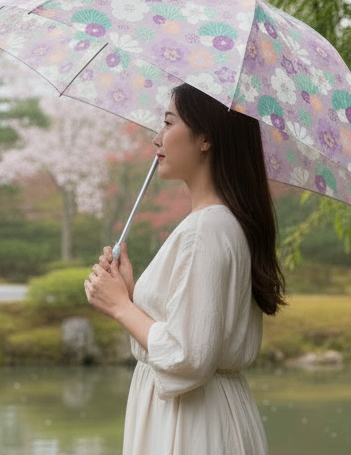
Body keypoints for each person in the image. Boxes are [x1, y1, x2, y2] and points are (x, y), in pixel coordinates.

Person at [84, 83, 286, 455]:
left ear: (205, 139)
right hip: (208, 413)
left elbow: (188, 356)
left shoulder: (206, 229)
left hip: (192, 423)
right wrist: (130, 298)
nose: (157, 138)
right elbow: (189, 331)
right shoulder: (222, 223)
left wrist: (120, 307)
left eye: (168, 123)